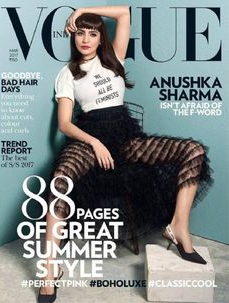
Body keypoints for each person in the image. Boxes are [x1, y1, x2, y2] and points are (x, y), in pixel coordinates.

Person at [38, 5, 213, 303]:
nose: (85, 39)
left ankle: (179, 227)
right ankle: (49, 272)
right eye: (80, 32)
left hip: (126, 137)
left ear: (100, 38)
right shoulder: (67, 74)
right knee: (60, 183)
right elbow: (65, 124)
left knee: (193, 151)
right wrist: (94, 142)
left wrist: (81, 10)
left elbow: (123, 13)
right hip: (89, 138)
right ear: (74, 37)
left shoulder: (115, 58)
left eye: (92, 33)